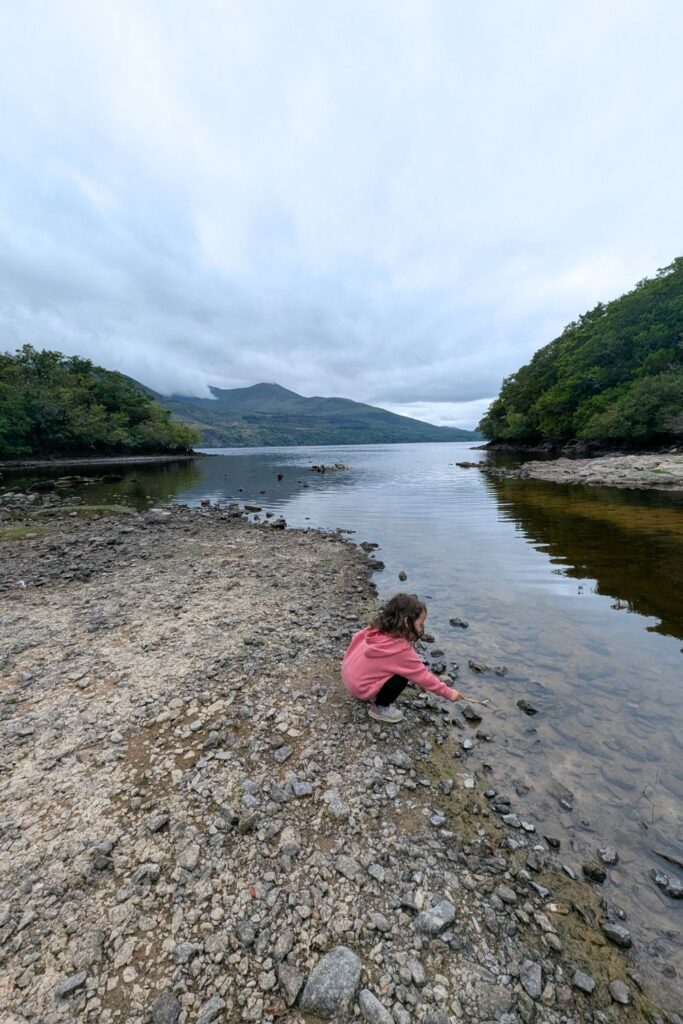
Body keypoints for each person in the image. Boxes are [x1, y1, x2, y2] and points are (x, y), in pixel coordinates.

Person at [341, 592, 462, 723]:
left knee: (390, 668)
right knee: (402, 677)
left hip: (349, 679)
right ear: (406, 622)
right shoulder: (401, 650)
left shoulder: (373, 630)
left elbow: (354, 641)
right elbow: (424, 677)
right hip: (361, 689)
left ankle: (368, 689)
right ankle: (380, 708)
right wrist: (449, 693)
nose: (421, 628)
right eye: (420, 624)